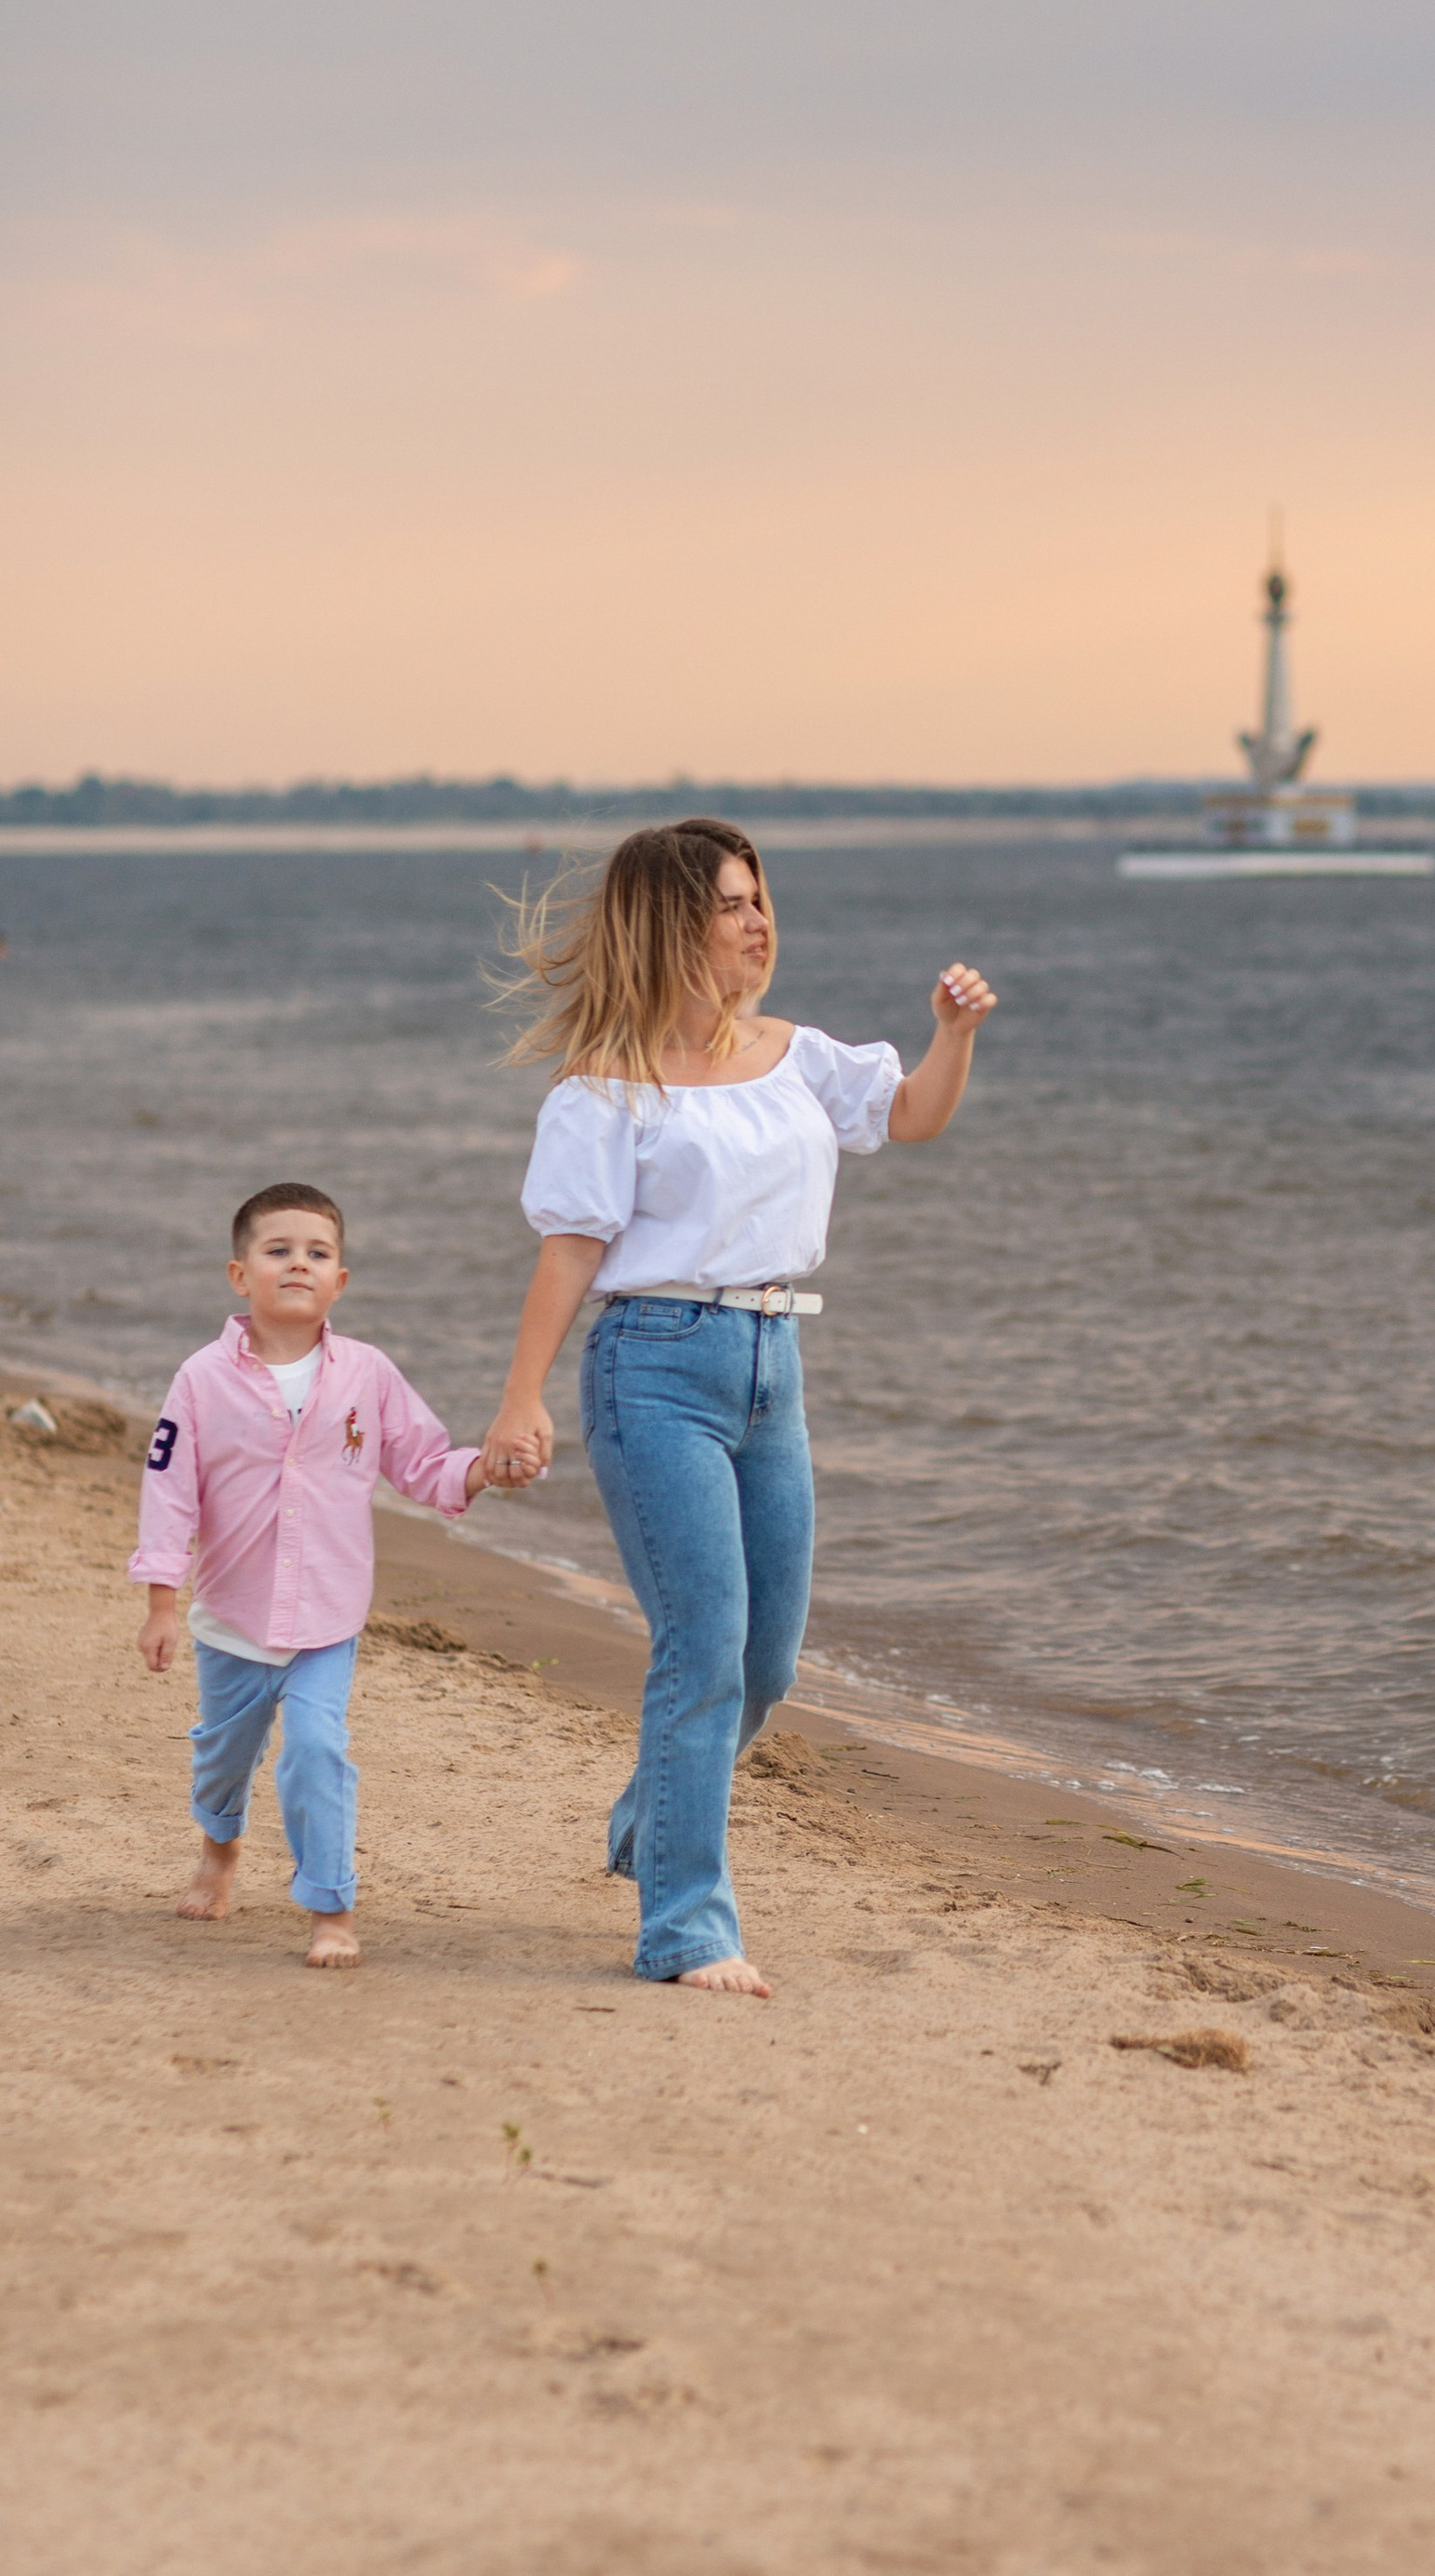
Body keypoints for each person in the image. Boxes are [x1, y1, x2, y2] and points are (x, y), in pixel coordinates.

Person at [483, 818, 993, 1997]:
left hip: (774, 1364)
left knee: (766, 1662)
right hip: (653, 1365)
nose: (756, 923)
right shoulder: (607, 1091)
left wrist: (952, 1034)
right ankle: (684, 1928)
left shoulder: (800, 1055)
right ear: (672, 926)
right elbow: (568, 1253)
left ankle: (652, 1828)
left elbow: (910, 1114)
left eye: (761, 899)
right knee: (703, 1649)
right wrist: (521, 1405)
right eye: (729, 904)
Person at [130, 1182, 497, 1967]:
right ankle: (219, 1847)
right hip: (232, 1615)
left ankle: (331, 1908)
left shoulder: (366, 1374)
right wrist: (161, 1602)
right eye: (279, 1249)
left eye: (318, 1253)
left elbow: (424, 1460)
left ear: (340, 1281)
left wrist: (483, 1470)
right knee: (224, 1757)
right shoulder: (200, 1379)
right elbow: (168, 1491)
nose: (299, 1263)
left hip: (328, 1616)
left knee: (317, 1752)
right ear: (240, 1275)